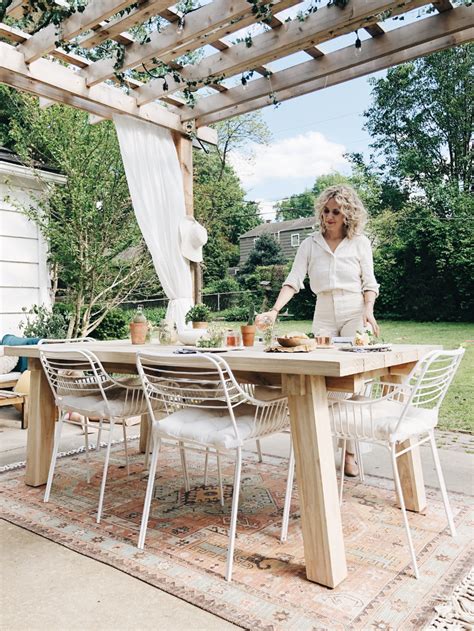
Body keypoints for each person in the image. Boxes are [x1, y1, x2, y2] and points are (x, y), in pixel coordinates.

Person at [255, 184, 380, 477]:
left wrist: (367, 311)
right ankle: (321, 444)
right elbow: (293, 280)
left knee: (355, 379)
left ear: (348, 214)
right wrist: (274, 310)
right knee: (321, 380)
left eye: (336, 211)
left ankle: (350, 452)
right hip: (323, 312)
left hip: (353, 310)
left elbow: (369, 283)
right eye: (326, 210)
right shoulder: (310, 244)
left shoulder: (360, 243)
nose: (330, 216)